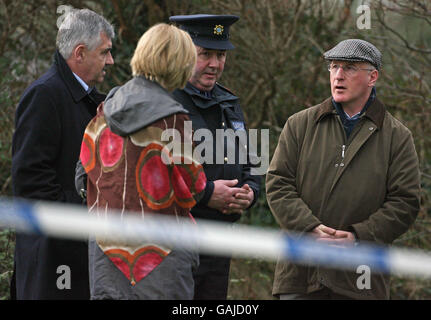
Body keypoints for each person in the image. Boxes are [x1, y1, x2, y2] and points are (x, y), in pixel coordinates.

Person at [266, 39, 420, 300]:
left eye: (349, 68)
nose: (338, 75)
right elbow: (278, 185)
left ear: (373, 77)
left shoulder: (398, 137)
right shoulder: (299, 125)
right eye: (334, 67)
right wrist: (310, 228)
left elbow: (405, 202)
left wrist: (358, 237)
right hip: (301, 275)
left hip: (361, 280)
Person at [78, 23, 206, 300]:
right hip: (162, 256)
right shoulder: (174, 120)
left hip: (106, 254)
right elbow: (195, 186)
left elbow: (82, 175)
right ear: (181, 64)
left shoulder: (103, 112)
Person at [11, 8, 115, 299]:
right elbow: (30, 183)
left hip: (79, 252)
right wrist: (89, 214)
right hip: (53, 259)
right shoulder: (45, 95)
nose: (111, 60)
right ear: (80, 53)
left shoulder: (89, 99)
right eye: (105, 52)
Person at [169, 14, 262, 300]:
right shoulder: (166, 103)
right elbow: (157, 175)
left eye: (220, 55)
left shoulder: (229, 103)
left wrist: (251, 192)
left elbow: (253, 161)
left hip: (220, 242)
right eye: (205, 54)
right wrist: (207, 193)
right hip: (175, 243)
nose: (215, 64)